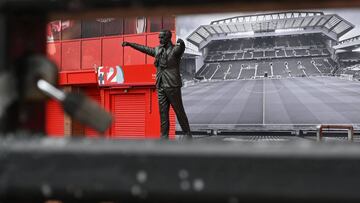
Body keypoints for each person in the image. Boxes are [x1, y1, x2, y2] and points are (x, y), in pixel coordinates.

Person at [122, 30, 192, 140]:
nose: (160, 40)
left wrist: (181, 42)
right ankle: (164, 137)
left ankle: (188, 134)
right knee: (163, 113)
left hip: (172, 85)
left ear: (168, 38)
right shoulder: (158, 50)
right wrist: (130, 44)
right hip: (160, 85)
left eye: (162, 37)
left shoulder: (175, 50)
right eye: (159, 38)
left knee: (179, 111)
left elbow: (182, 47)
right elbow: (144, 49)